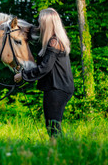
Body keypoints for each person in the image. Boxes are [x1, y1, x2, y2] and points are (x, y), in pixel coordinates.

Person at [14, 8, 74, 139]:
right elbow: (32, 32)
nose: (39, 25)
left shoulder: (54, 42)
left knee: (53, 125)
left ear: (47, 23)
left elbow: (44, 68)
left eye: (41, 22)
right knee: (52, 124)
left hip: (57, 88)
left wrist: (23, 75)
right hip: (58, 87)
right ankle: (57, 150)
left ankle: (59, 152)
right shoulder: (54, 39)